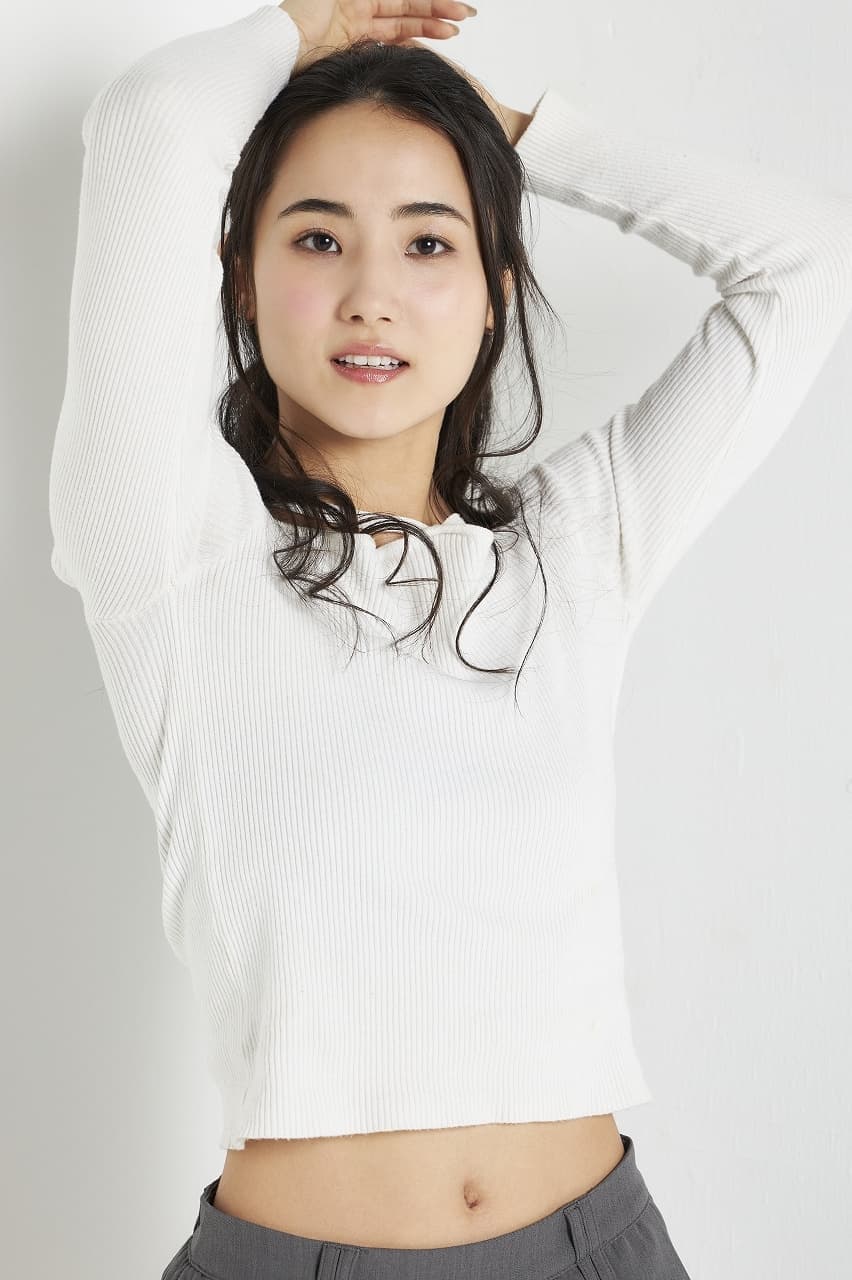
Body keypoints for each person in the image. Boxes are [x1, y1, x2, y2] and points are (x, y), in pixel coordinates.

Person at [47, 2, 852, 1277]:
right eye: (320, 237)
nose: (372, 296)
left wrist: (511, 134)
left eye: (430, 241)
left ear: (492, 298)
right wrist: (307, 27)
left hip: (602, 1245)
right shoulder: (172, 558)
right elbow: (148, 124)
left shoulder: (574, 550)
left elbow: (807, 260)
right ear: (242, 281)